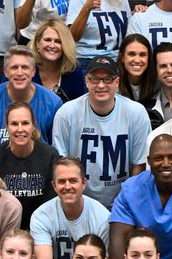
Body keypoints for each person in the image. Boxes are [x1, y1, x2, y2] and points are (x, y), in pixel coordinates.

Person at [51, 57, 149, 208]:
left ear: (117, 82)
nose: (101, 85)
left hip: (122, 202)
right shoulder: (66, 114)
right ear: (86, 81)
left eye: (108, 79)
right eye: (95, 79)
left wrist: (126, 204)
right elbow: (62, 165)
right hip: (78, 202)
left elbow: (139, 165)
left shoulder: (136, 113)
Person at [30, 157, 111, 259]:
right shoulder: (41, 216)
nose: (67, 186)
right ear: (54, 185)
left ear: (84, 183)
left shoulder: (102, 218)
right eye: (61, 181)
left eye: (73, 181)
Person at [0, 45, 61, 148]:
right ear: (5, 72)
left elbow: (56, 149)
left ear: (33, 72)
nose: (19, 73)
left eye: (25, 67)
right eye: (14, 68)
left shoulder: (52, 102)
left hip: (40, 163)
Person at [0, 102, 56, 229]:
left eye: (25, 123)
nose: (20, 129)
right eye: (14, 124)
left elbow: (52, 204)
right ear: (6, 126)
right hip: (6, 228)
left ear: (33, 124)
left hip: (41, 227)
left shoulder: (49, 155)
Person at [31, 19, 87, 102]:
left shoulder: (74, 72)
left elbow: (77, 108)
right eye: (48, 40)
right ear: (37, 43)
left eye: (58, 41)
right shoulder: (25, 68)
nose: (52, 45)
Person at [116, 34, 163, 128]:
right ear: (122, 58)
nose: (137, 60)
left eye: (142, 55)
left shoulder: (158, 82)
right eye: (131, 54)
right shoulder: (113, 83)